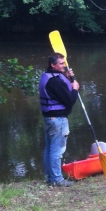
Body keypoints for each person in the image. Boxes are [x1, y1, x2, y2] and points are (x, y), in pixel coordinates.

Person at [38, 52, 79, 186]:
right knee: (57, 150)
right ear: (53, 64)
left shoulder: (48, 76)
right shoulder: (55, 81)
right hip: (58, 120)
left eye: (64, 62)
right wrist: (75, 89)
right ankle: (56, 179)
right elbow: (69, 101)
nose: (64, 65)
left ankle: (50, 177)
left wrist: (67, 78)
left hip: (50, 119)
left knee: (49, 148)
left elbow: (58, 90)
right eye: (61, 63)